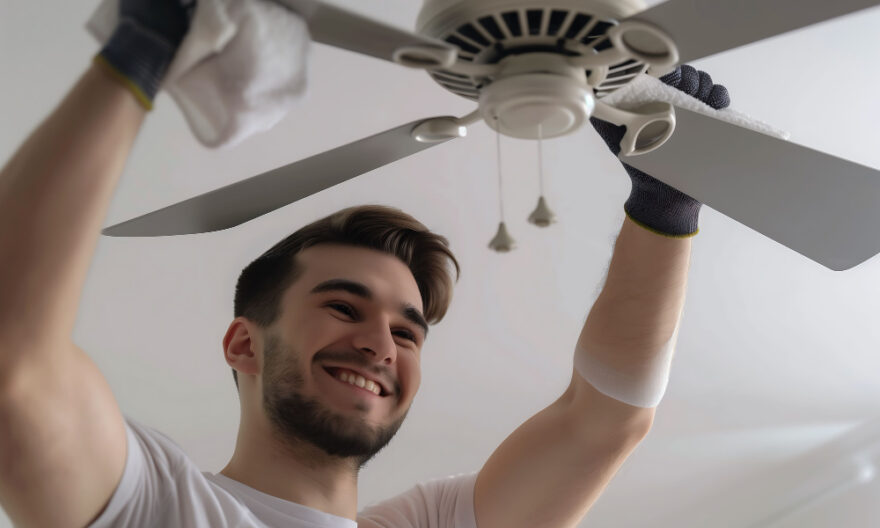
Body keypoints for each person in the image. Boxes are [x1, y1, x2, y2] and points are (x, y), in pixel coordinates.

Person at [0, 1, 730, 527]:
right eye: (344, 307)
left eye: (409, 332)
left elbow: (603, 422)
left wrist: (665, 214)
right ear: (244, 343)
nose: (382, 345)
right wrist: (139, 53)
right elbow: (14, 363)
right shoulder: (156, 503)